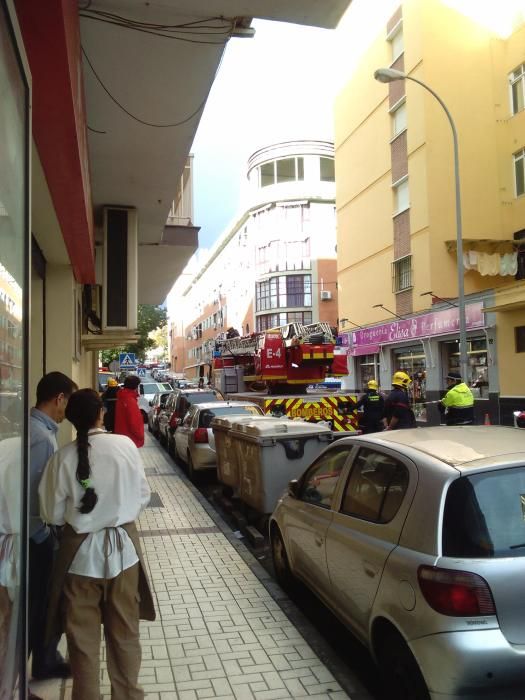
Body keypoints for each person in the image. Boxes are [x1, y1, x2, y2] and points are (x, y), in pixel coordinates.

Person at [39, 389, 155, 700]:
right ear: (101, 413)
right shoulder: (125, 447)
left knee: (83, 642)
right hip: (124, 554)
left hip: (79, 559)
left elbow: (50, 513)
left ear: (71, 419)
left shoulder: (60, 458)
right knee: (125, 636)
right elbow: (143, 496)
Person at [29, 371, 77, 686]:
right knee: (43, 601)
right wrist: (43, 535)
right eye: (67, 403)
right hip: (36, 537)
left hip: (35, 534)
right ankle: (43, 661)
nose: (67, 411)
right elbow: (33, 493)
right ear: (59, 399)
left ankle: (45, 659)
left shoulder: (39, 430)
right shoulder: (41, 438)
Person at [114, 375, 144, 447]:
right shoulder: (130, 400)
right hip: (130, 440)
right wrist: (141, 436)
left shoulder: (122, 397)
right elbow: (134, 421)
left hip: (122, 437)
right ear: (136, 387)